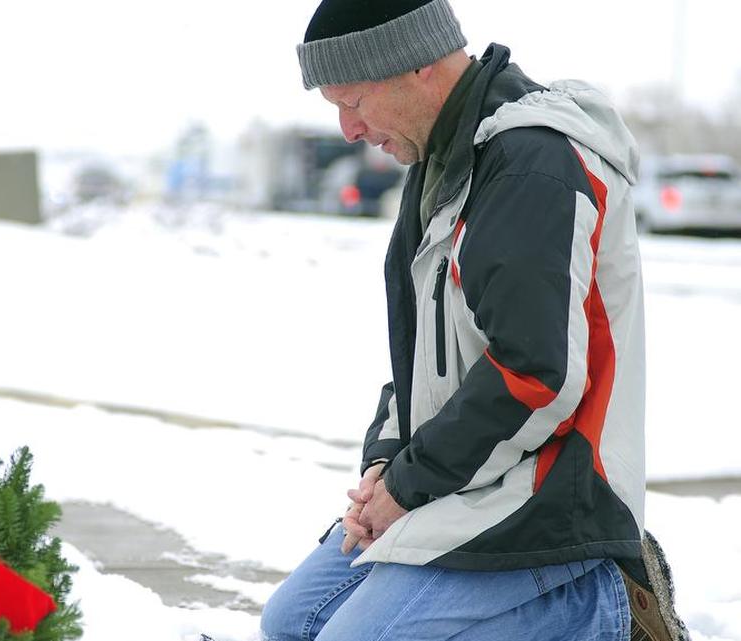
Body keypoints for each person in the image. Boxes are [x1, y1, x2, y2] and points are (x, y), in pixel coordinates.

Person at [260, 1, 689, 640]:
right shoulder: (442, 168)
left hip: (550, 504)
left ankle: (604, 607)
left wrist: (406, 487)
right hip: (470, 480)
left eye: (352, 101)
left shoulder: (528, 166)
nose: (349, 129)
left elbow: (535, 374)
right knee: (292, 622)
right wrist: (385, 461)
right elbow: (425, 358)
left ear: (420, 68)